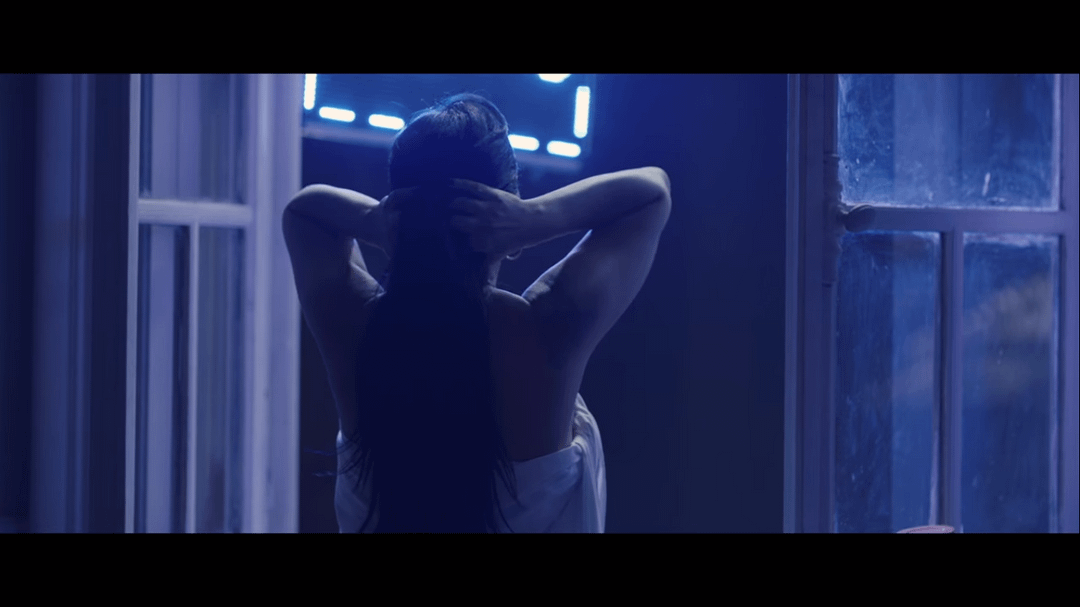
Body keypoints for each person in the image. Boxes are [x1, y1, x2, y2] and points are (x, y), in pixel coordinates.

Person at [282, 93, 671, 533]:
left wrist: (376, 220)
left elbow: (304, 212)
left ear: (397, 211)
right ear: (507, 212)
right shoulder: (550, 328)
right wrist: (538, 217)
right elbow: (652, 193)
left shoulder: (353, 326)